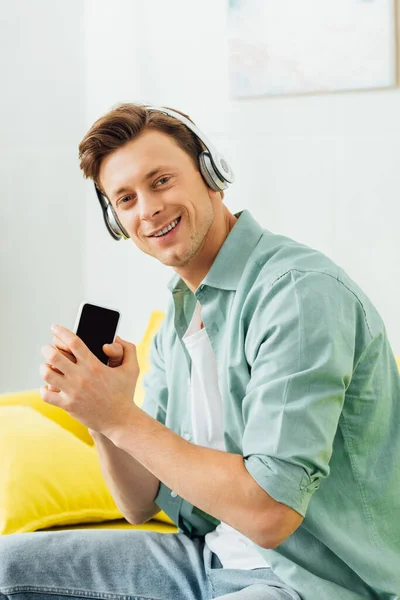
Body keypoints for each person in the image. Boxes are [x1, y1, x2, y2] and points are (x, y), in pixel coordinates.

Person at [1, 104, 399, 600]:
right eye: (126, 199)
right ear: (117, 220)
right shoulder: (181, 313)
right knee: (5, 567)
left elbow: (269, 514)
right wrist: (98, 412)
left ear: (211, 174)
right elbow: (138, 503)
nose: (147, 209)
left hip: (311, 581)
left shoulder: (297, 294)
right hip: (206, 558)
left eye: (161, 180)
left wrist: (121, 416)